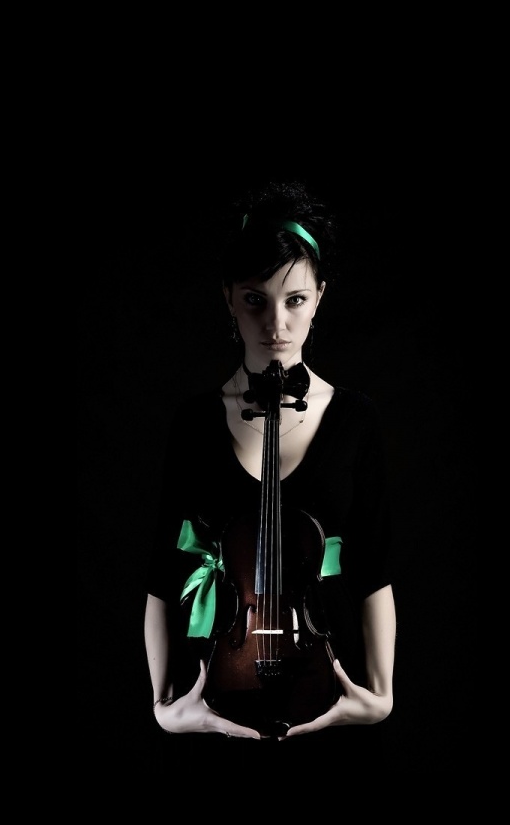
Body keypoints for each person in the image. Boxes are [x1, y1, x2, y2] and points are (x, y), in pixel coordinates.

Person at [143, 180, 398, 767]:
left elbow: (373, 570)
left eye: (295, 300)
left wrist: (381, 698)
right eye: (255, 300)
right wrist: (164, 708)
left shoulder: (356, 419)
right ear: (229, 299)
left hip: (329, 690)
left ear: (320, 297)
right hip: (218, 692)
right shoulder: (194, 422)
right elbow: (163, 570)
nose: (276, 324)